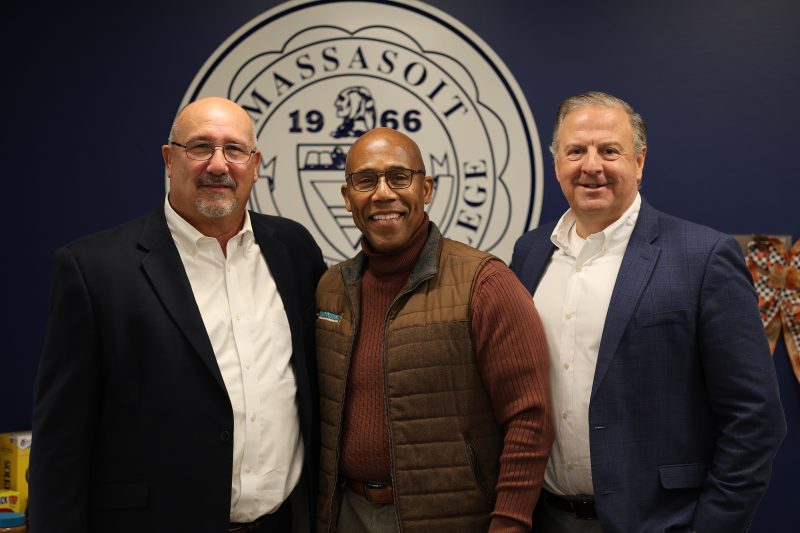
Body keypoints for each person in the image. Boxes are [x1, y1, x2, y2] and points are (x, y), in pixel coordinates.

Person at [30, 97, 326, 533]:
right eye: (200, 147)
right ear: (170, 160)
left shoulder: (294, 250)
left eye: (235, 150)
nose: (218, 165)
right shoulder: (95, 271)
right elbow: (60, 444)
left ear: (256, 165)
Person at [510, 91, 786, 533]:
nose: (591, 166)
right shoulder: (530, 252)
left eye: (609, 151)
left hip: (661, 522)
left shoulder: (703, 257)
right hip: (546, 518)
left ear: (639, 162)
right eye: (576, 151)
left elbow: (755, 416)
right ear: (557, 162)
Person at [315, 127, 553, 532]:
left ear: (425, 189)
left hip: (454, 520)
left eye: (399, 177)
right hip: (347, 514)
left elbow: (530, 418)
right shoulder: (331, 288)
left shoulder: (486, 283)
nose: (383, 194)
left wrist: (509, 524)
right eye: (365, 181)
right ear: (347, 196)